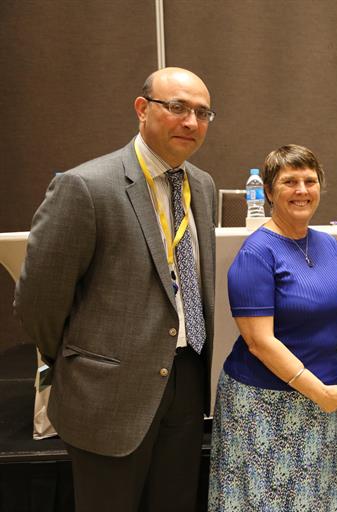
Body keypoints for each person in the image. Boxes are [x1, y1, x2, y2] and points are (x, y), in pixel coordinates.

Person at [14, 67, 217, 511]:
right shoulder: (86, 186)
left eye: (202, 113)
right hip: (108, 392)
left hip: (185, 382)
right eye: (177, 107)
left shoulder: (202, 186)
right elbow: (38, 301)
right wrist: (76, 360)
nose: (190, 122)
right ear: (142, 110)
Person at [208, 144, 337, 511]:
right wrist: (318, 392)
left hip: (319, 400)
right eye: (290, 181)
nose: (302, 190)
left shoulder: (328, 244)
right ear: (271, 191)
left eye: (310, 180)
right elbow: (259, 342)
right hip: (262, 407)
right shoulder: (256, 253)